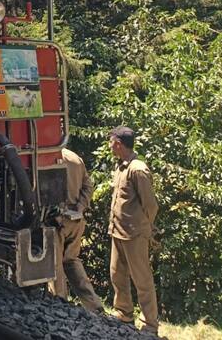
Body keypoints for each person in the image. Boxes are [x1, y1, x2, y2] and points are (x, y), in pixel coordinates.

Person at [108, 126, 160, 335]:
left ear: (118, 144)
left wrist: (145, 228)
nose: (110, 145)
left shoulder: (137, 169)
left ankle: (149, 324)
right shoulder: (121, 166)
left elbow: (151, 205)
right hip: (118, 231)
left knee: (142, 280)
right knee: (117, 275)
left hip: (134, 234)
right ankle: (124, 314)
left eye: (111, 141)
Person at [49, 148, 104, 313]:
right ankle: (95, 306)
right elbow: (88, 185)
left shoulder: (48, 156)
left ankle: (60, 305)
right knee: (72, 261)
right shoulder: (75, 157)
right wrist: (79, 207)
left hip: (57, 221)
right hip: (75, 219)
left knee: (55, 265)